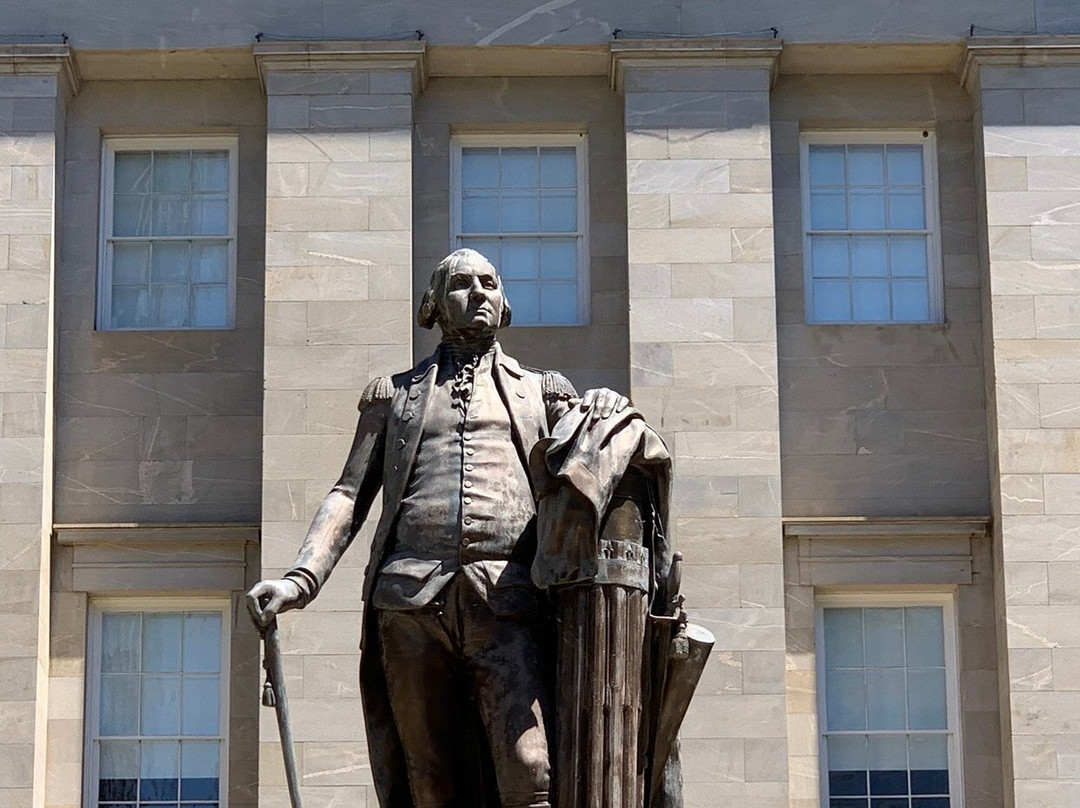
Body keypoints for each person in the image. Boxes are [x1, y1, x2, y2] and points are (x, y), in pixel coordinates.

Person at [247, 248, 628, 808]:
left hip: (509, 599)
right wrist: (299, 580)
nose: (478, 292)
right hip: (408, 603)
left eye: (490, 283)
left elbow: (590, 471)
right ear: (432, 305)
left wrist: (606, 412)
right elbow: (349, 494)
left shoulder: (543, 393)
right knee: (429, 782)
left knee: (530, 770)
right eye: (462, 283)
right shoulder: (394, 396)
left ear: (504, 304)